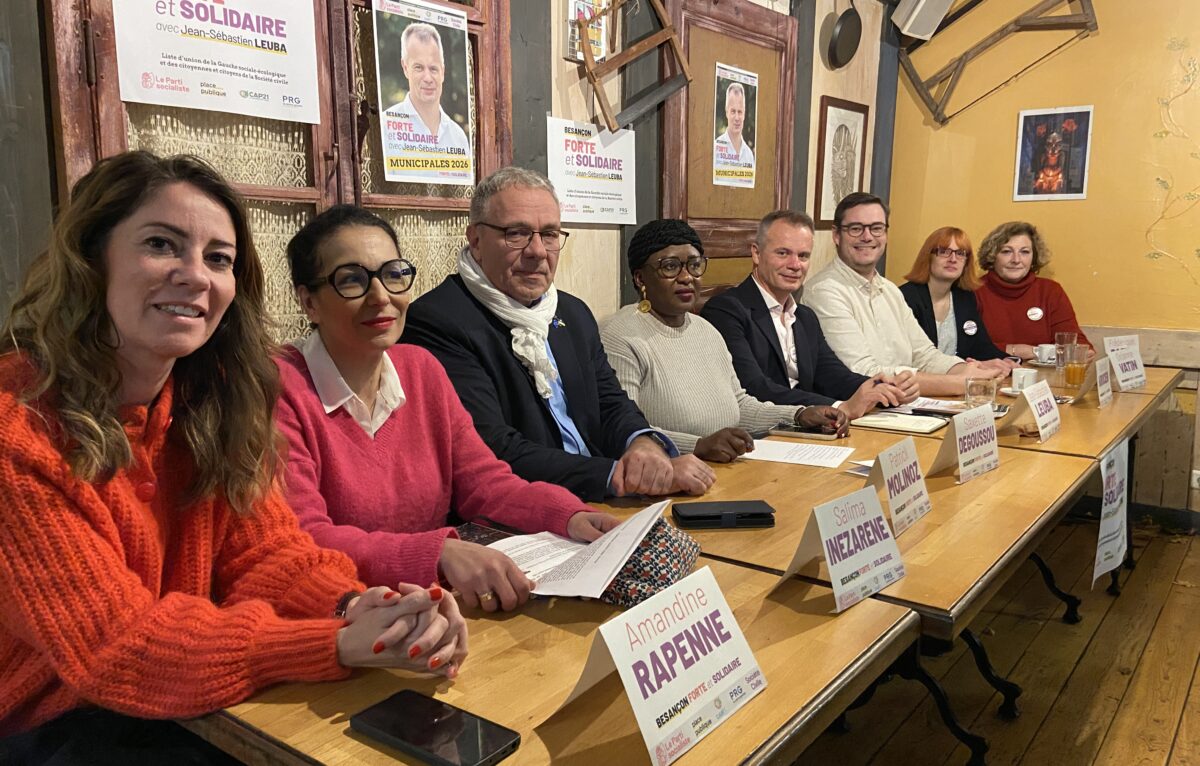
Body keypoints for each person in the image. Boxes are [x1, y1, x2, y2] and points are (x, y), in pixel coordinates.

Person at [0, 153, 465, 755]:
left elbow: (265, 553)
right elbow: (113, 647)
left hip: (187, 699)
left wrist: (356, 606)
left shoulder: (215, 397)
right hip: (53, 724)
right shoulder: (19, 425)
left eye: (218, 258)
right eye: (163, 245)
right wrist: (334, 643)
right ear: (92, 259)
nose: (196, 276)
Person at [276, 205, 622, 613]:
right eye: (351, 280)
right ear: (308, 302)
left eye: (393, 274)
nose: (381, 297)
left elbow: (484, 482)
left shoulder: (420, 369)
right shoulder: (275, 388)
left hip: (435, 611)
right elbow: (302, 537)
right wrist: (437, 553)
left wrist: (568, 515)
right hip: (339, 620)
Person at [403, 167, 714, 501]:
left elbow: (610, 402)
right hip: (522, 514)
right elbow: (492, 448)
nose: (538, 251)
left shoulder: (572, 312)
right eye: (517, 233)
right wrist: (618, 476)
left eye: (549, 234)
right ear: (476, 241)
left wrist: (642, 443)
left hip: (598, 501)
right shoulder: (437, 321)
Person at [600, 219, 847, 462]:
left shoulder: (706, 330)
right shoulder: (620, 336)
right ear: (641, 278)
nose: (687, 277)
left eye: (694, 265)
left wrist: (800, 415)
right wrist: (697, 446)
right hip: (665, 477)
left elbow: (740, 405)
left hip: (722, 470)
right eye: (670, 267)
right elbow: (624, 430)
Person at [702, 209, 918, 417]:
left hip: (807, 429)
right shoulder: (726, 311)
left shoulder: (805, 317)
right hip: (759, 435)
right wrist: (839, 407)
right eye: (783, 253)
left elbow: (831, 374)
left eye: (803, 256)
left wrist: (881, 388)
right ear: (756, 254)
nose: (795, 265)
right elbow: (753, 388)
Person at [802, 192, 1012, 396]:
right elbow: (863, 371)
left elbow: (925, 355)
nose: (867, 237)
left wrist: (970, 371)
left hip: (902, 407)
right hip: (859, 415)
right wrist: (957, 383)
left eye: (876, 228)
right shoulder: (824, 291)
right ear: (836, 235)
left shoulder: (890, 290)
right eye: (856, 228)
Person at [974, 221, 1091, 360]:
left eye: (1024, 252)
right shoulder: (974, 291)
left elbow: (1082, 348)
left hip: (1044, 379)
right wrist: (1015, 350)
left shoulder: (1050, 291)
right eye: (1006, 251)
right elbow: (965, 348)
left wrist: (1033, 351)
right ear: (992, 256)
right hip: (989, 377)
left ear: (1033, 257)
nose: (1016, 260)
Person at [899, 226, 1008, 362]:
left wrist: (1010, 361)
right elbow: (909, 358)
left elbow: (981, 347)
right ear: (928, 257)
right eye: (944, 251)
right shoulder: (905, 298)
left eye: (960, 253)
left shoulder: (965, 297)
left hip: (956, 380)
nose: (953, 259)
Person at [381, 23, 471, 156]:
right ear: (405, 68)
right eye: (419, 68)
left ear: (443, 72)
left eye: (433, 68)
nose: (428, 78)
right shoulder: (385, 128)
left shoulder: (458, 137)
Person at [714, 82, 754, 166]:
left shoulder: (749, 155)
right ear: (726, 112)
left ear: (744, 114)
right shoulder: (715, 149)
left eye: (739, 112)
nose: (737, 118)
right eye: (733, 111)